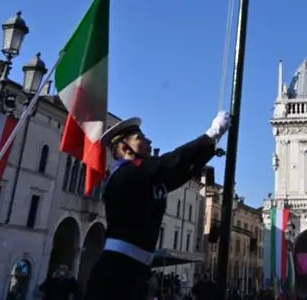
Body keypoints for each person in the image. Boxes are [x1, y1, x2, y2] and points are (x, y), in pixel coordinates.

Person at [83, 111, 232, 300]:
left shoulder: (146, 176)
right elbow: (172, 162)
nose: (148, 141)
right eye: (140, 138)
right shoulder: (127, 173)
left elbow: (179, 173)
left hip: (136, 269)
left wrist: (209, 145)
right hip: (116, 270)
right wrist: (212, 134)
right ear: (124, 148)